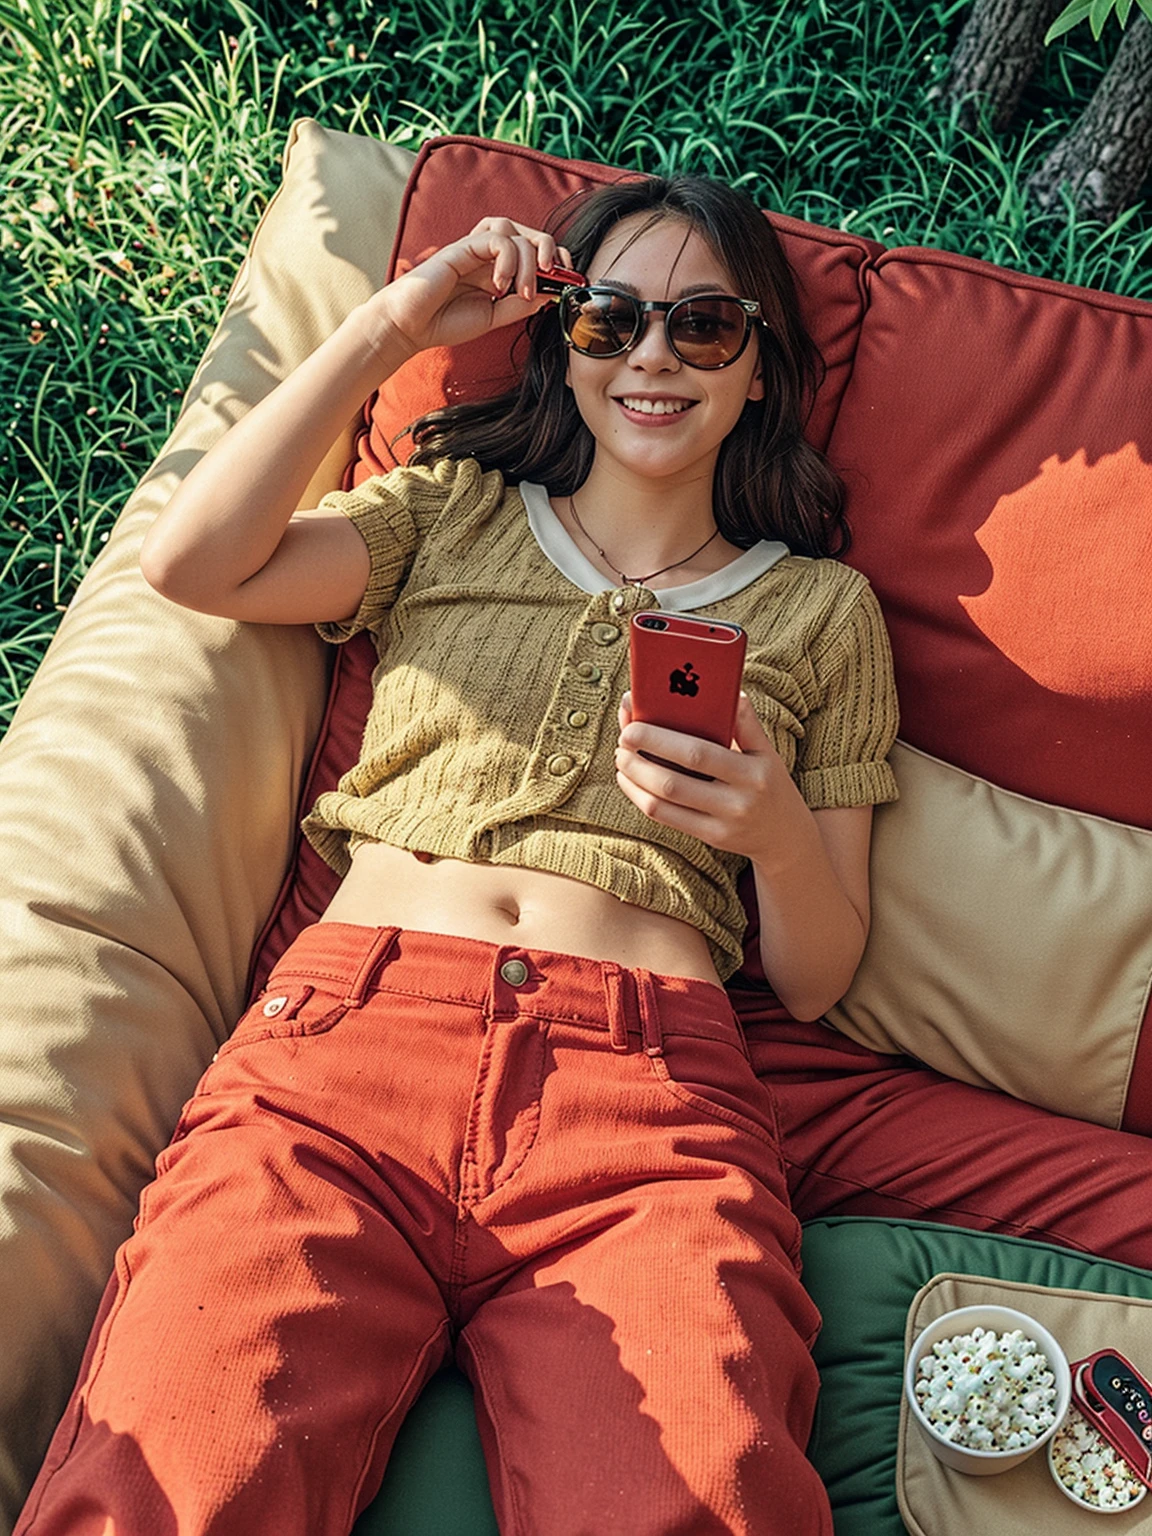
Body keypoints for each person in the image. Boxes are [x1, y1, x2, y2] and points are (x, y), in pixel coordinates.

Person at [16, 174, 898, 1536]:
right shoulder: (455, 510)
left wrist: (773, 829)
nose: (652, 357)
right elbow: (195, 563)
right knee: (167, 1481)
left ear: (765, 368)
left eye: (704, 326)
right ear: (565, 344)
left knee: (704, 1501)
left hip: (649, 1102)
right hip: (345, 1053)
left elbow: (824, 974)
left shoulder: (824, 611)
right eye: (609, 321)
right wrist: (395, 325)